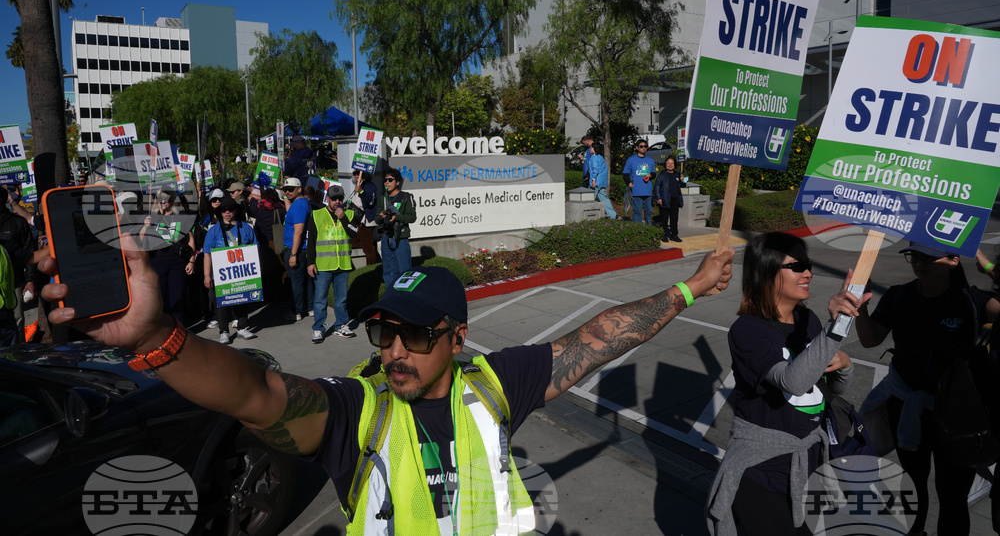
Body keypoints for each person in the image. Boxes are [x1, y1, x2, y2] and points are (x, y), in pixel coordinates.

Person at [39, 224, 734, 534]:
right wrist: (159, 340)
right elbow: (256, 394)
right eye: (384, 331)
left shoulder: (495, 383)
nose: (395, 349)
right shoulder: (357, 412)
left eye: (415, 334)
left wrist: (692, 288)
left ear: (458, 339)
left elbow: (601, 337)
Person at [707, 232, 864, 536]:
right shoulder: (747, 331)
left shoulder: (809, 321)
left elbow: (826, 391)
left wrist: (845, 364)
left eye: (807, 265)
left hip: (807, 469)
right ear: (766, 272)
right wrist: (835, 328)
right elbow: (792, 381)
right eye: (796, 266)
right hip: (763, 473)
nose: (808, 273)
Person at [855, 242, 1000, 536]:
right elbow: (870, 340)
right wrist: (861, 306)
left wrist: (991, 269)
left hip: (957, 414)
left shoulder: (973, 299)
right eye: (914, 256)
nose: (919, 263)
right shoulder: (898, 295)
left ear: (953, 261)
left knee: (953, 495)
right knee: (912, 484)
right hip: (907, 406)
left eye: (929, 257)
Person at [202, 195, 259, 343]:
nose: (227, 212)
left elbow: (255, 249)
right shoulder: (213, 231)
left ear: (235, 210)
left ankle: (242, 328)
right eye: (224, 210)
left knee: (242, 300)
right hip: (221, 275)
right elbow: (207, 254)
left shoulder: (246, 228)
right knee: (222, 304)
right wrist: (207, 276)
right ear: (220, 212)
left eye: (230, 209)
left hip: (241, 273)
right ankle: (224, 331)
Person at [306, 184, 359, 343]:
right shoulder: (317, 215)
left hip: (342, 264)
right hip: (323, 265)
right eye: (334, 198)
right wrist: (310, 263)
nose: (337, 201)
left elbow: (354, 233)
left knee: (341, 298)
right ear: (327, 198)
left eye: (340, 199)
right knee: (320, 299)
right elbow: (311, 242)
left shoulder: (349, 214)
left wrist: (343, 218)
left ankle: (341, 325)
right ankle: (318, 329)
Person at [139, 189, 197, 322]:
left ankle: (179, 329)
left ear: (172, 202)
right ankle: (165, 330)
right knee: (161, 298)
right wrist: (145, 227)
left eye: (166, 200)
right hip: (157, 262)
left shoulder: (181, 217)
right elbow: (141, 240)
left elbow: (191, 240)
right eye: (160, 200)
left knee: (177, 298)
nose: (163, 202)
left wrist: (191, 261)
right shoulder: (151, 217)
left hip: (178, 262)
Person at [0, 186, 35, 342]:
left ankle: (18, 358)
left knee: (17, 321)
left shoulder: (18, 222)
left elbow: (30, 253)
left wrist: (30, 280)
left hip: (15, 283)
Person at [377, 167, 417, 287]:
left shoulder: (405, 197)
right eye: (385, 180)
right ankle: (391, 295)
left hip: (400, 238)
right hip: (386, 237)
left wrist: (397, 218)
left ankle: (406, 296)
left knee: (404, 270)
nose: (387, 183)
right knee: (388, 270)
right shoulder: (382, 199)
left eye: (390, 180)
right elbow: (376, 219)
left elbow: (412, 217)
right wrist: (381, 217)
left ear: (397, 182)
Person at [282, 177, 312, 322]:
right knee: (305, 280)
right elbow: (291, 213)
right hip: (300, 249)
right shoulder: (298, 203)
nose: (287, 192)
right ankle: (309, 307)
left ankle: (297, 311)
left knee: (297, 282)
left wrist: (293, 253)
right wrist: (285, 198)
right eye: (285, 190)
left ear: (299, 189)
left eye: (290, 190)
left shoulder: (299, 205)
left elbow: (298, 231)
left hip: (297, 249)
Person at [622, 139, 656, 224]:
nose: (643, 148)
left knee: (648, 212)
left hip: (647, 191)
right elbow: (625, 173)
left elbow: (654, 173)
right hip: (636, 191)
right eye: (641, 146)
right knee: (637, 213)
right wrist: (629, 183)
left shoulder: (650, 160)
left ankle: (649, 230)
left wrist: (650, 175)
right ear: (637, 148)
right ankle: (637, 230)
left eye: (645, 146)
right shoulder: (631, 160)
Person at [349, 170, 379, 265]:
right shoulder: (359, 185)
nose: (356, 175)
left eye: (358, 173)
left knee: (368, 250)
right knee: (351, 243)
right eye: (355, 174)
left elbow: (370, 203)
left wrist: (361, 191)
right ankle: (371, 246)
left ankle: (371, 268)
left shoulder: (370, 186)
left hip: (365, 222)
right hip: (357, 221)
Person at [654, 156, 684, 243]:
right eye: (668, 163)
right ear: (665, 165)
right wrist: (658, 198)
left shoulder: (678, 174)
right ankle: (664, 235)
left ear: (674, 165)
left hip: (675, 200)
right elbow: (657, 187)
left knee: (674, 219)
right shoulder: (662, 175)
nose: (670, 165)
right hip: (664, 199)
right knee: (664, 219)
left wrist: (682, 180)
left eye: (672, 163)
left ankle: (674, 235)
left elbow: (682, 186)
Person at [587, 144, 616, 220]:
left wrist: (593, 180)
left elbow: (595, 170)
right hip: (602, 182)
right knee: (604, 199)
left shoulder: (594, 158)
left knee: (589, 198)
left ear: (594, 149)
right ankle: (613, 215)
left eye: (591, 147)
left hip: (596, 182)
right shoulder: (601, 158)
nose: (590, 149)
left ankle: (588, 216)